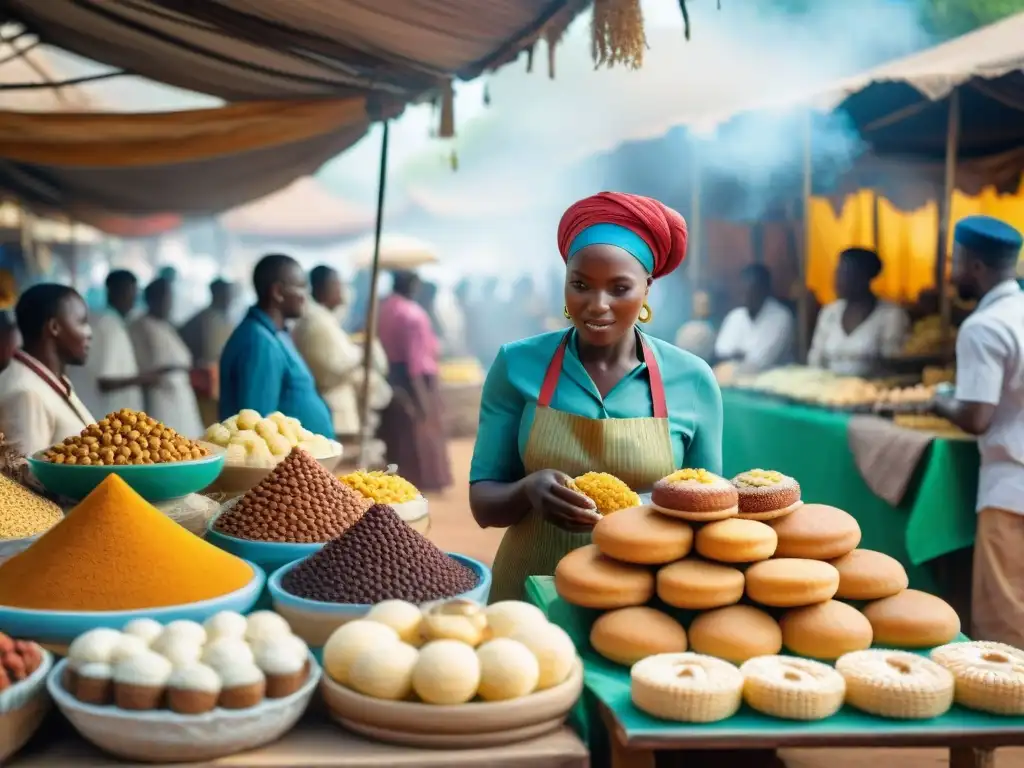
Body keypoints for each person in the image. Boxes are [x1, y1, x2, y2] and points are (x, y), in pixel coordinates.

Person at [470, 191, 722, 603]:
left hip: (642, 599)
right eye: (580, 285)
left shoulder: (692, 379)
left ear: (647, 288)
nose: (597, 305)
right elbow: (484, 505)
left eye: (619, 288)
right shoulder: (517, 365)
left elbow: (710, 509)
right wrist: (527, 490)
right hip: (528, 593)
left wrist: (641, 506)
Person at [932, 215, 1024, 648]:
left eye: (956, 261)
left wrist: (939, 400)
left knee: (1005, 624)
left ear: (975, 265)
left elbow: (975, 418)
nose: (951, 272)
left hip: (1010, 493)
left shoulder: (984, 326)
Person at [219, 254, 333, 437]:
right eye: (302, 287)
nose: (306, 296)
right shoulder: (259, 342)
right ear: (278, 292)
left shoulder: (273, 334)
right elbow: (255, 426)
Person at [292, 265, 391, 437]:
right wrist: (363, 352)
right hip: (334, 406)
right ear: (326, 288)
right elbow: (335, 365)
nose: (342, 291)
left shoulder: (324, 318)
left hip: (339, 403)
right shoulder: (316, 321)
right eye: (338, 285)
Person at [376, 269, 452, 492]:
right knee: (422, 428)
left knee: (399, 432)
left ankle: (403, 477)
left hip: (391, 375)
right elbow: (416, 361)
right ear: (412, 286)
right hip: (415, 379)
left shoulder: (384, 309)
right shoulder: (412, 314)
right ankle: (427, 480)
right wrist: (424, 399)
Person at [0, 283, 94, 456]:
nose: (90, 333)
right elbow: (23, 477)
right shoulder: (26, 393)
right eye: (82, 322)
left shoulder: (50, 381)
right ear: (54, 328)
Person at [807, 248, 909, 376]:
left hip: (870, 392)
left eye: (846, 274)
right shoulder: (829, 313)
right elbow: (815, 360)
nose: (837, 281)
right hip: (828, 392)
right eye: (837, 273)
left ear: (864, 278)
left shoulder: (891, 315)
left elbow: (892, 364)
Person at [68, 270, 153, 419]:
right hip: (109, 417)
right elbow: (106, 382)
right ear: (116, 292)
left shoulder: (105, 320)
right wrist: (145, 378)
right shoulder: (109, 325)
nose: (134, 299)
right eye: (130, 292)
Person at [129, 278, 204, 438]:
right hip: (161, 395)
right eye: (165, 298)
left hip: (181, 393)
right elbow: (142, 366)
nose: (169, 303)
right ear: (153, 299)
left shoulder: (166, 324)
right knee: (164, 443)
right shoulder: (140, 325)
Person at [714, 264, 795, 373]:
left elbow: (761, 361)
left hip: (772, 382)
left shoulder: (781, 316)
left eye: (751, 291)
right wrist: (743, 357)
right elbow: (721, 353)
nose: (745, 296)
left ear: (764, 291)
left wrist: (738, 356)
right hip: (733, 380)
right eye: (743, 290)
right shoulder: (735, 316)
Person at [179, 279, 237, 367]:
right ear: (217, 294)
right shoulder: (203, 320)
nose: (229, 299)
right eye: (225, 294)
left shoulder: (227, 321)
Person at [674, 290, 717, 360]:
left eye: (706, 304)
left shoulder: (713, 327)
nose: (703, 307)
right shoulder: (685, 328)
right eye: (700, 304)